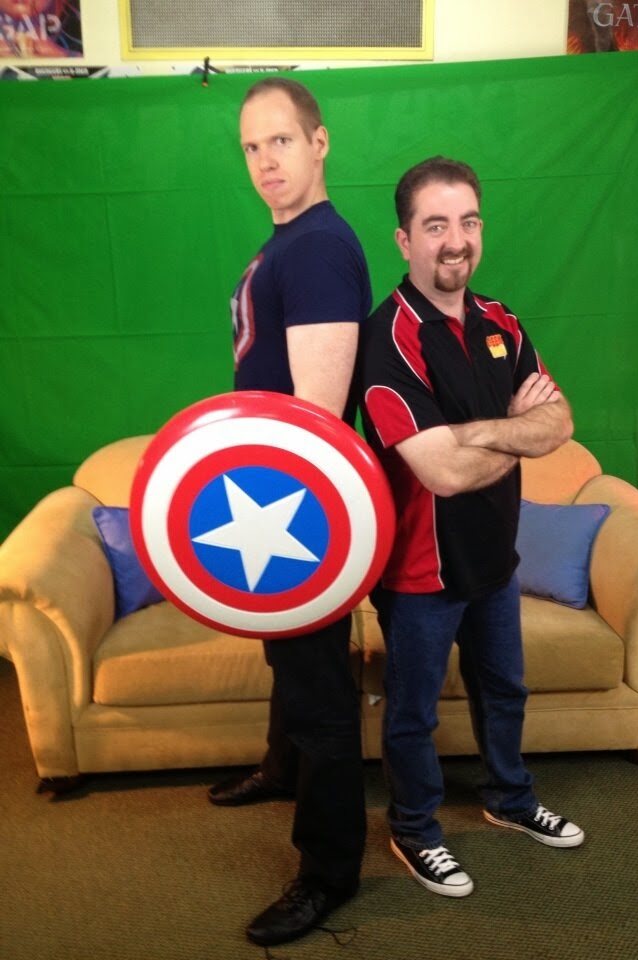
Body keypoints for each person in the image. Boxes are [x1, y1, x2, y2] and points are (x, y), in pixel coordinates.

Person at [359, 156, 585, 899]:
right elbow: (443, 474)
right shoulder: (387, 338)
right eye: (435, 226)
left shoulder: (501, 321)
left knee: (504, 689)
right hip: (419, 571)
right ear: (404, 240)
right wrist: (515, 429)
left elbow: (560, 421)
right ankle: (414, 829)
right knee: (413, 713)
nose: (455, 240)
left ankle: (510, 799)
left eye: (468, 221)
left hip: (494, 556)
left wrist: (476, 433)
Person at [208, 77, 372, 947]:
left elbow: (316, 418)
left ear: (319, 142)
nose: (265, 160)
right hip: (272, 495)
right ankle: (283, 768)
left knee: (318, 686)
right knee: (289, 661)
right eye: (251, 146)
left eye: (281, 140)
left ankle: (328, 871)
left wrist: (282, 517)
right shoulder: (290, 242)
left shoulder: (316, 249)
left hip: (299, 506)